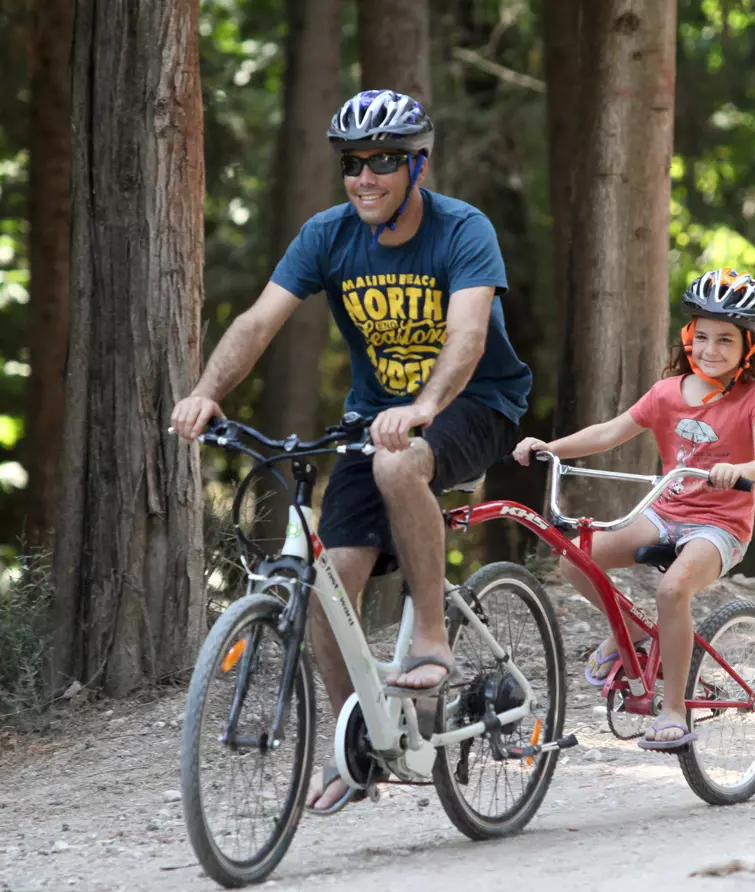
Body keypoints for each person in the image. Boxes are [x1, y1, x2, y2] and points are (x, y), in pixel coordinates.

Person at [171, 89, 532, 807]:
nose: (365, 176)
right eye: (353, 163)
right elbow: (257, 321)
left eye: (384, 162)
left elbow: (466, 337)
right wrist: (208, 389)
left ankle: (431, 633)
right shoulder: (327, 235)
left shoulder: (464, 230)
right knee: (327, 580)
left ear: (416, 167)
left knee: (403, 461)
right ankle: (355, 746)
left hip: (475, 404)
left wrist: (425, 407)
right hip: (373, 417)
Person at [513, 269, 755, 751]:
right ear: (687, 337)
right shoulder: (666, 393)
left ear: (750, 346)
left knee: (672, 588)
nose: (710, 349)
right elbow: (607, 433)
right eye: (701, 337)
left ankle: (673, 711)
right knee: (575, 557)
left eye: (725, 340)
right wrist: (548, 446)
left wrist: (737, 469)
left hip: (719, 525)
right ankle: (634, 635)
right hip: (664, 512)